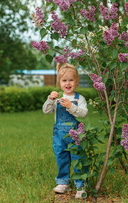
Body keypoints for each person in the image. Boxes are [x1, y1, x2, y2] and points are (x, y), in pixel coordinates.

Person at [42, 63, 88, 199]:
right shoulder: (56, 99)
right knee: (61, 157)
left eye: (71, 80)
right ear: (59, 82)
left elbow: (83, 114)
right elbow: (46, 111)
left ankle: (80, 183)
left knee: (77, 157)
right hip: (59, 135)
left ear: (77, 81)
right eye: (64, 80)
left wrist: (71, 107)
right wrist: (50, 99)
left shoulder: (79, 99)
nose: (68, 83)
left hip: (76, 135)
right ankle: (63, 182)